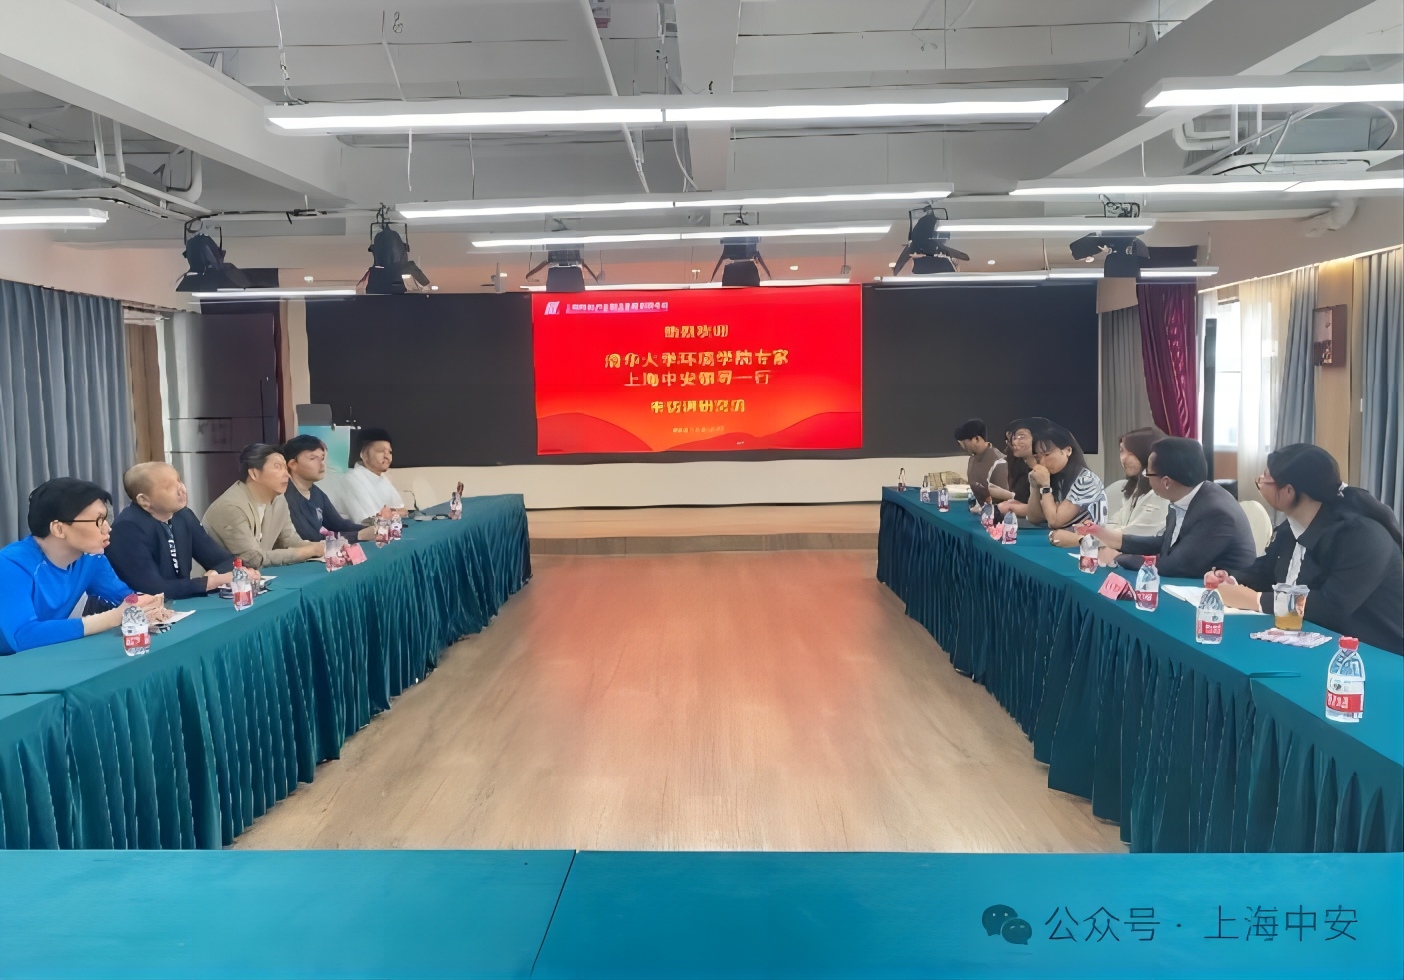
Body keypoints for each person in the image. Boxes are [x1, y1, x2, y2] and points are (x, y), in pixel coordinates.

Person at [1208, 444, 1403, 655]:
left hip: (1375, 654)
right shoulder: (1292, 525)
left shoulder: (1360, 536)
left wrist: (1256, 601)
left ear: (1288, 491)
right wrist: (1232, 579)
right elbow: (1267, 570)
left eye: (1264, 478)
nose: (1260, 482)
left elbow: (1331, 606)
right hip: (1314, 641)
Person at [0, 478, 169, 654]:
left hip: (44, 655)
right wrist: (112, 617)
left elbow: (125, 597)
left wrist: (146, 603)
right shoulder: (11, 564)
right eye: (98, 520)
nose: (107, 528)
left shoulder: (91, 559)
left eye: (107, 519)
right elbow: (23, 636)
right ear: (58, 529)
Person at [1081, 436, 1257, 578]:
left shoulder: (1215, 513)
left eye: (1148, 473)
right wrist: (1111, 538)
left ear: (1166, 482)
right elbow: (1165, 543)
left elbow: (1174, 566)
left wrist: (1118, 558)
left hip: (1220, 594)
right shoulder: (1186, 495)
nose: (1145, 477)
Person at [106, 461, 249, 600]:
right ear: (144, 500)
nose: (182, 490)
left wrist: (215, 573)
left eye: (179, 481)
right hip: (141, 611)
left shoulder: (183, 516)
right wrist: (211, 581)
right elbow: (152, 589)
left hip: (181, 603)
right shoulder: (127, 529)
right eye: (170, 487)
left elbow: (224, 561)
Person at [202, 444, 324, 569]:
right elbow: (253, 559)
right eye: (277, 467)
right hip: (220, 579)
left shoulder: (278, 500)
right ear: (254, 474)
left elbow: (290, 541)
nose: (287, 475)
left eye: (285, 468)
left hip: (255, 577)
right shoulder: (230, 507)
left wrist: (323, 547)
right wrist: (310, 551)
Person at [1050, 426, 1167, 548]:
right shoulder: (1137, 488)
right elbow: (1115, 524)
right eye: (1122, 451)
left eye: (1131, 453)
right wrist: (1089, 531)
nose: (1124, 458)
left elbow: (1135, 535)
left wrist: (1081, 540)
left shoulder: (1162, 494)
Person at [281, 435, 380, 543]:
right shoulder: (286, 496)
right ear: (293, 464)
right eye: (313, 458)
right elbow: (310, 538)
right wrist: (359, 535)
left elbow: (339, 524)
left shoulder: (316, 493)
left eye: (322, 458)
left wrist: (373, 530)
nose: (322, 464)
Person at [1021, 422, 1108, 530]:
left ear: (1068, 451)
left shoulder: (1086, 480)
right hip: (1061, 537)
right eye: (1038, 457)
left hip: (1088, 539)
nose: (1042, 462)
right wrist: (1034, 487)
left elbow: (1055, 521)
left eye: (1047, 454)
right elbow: (1034, 518)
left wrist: (1045, 487)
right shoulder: (1055, 477)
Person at [322, 428, 409, 523]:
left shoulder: (383, 479)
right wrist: (392, 513)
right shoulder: (352, 479)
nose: (387, 456)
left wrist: (391, 513)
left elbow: (403, 511)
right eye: (381, 451)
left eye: (390, 452)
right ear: (364, 454)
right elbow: (368, 520)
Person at [991, 418, 1043, 516]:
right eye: (1012, 438)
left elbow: (1045, 509)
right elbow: (1022, 499)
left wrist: (1010, 507)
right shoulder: (1019, 466)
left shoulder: (1048, 469)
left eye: (1021, 437)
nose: (1014, 442)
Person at [953, 418, 1008, 509]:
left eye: (964, 443)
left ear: (976, 439)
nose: (962, 447)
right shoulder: (972, 460)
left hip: (995, 514)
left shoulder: (999, 462)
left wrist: (985, 510)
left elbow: (1005, 500)